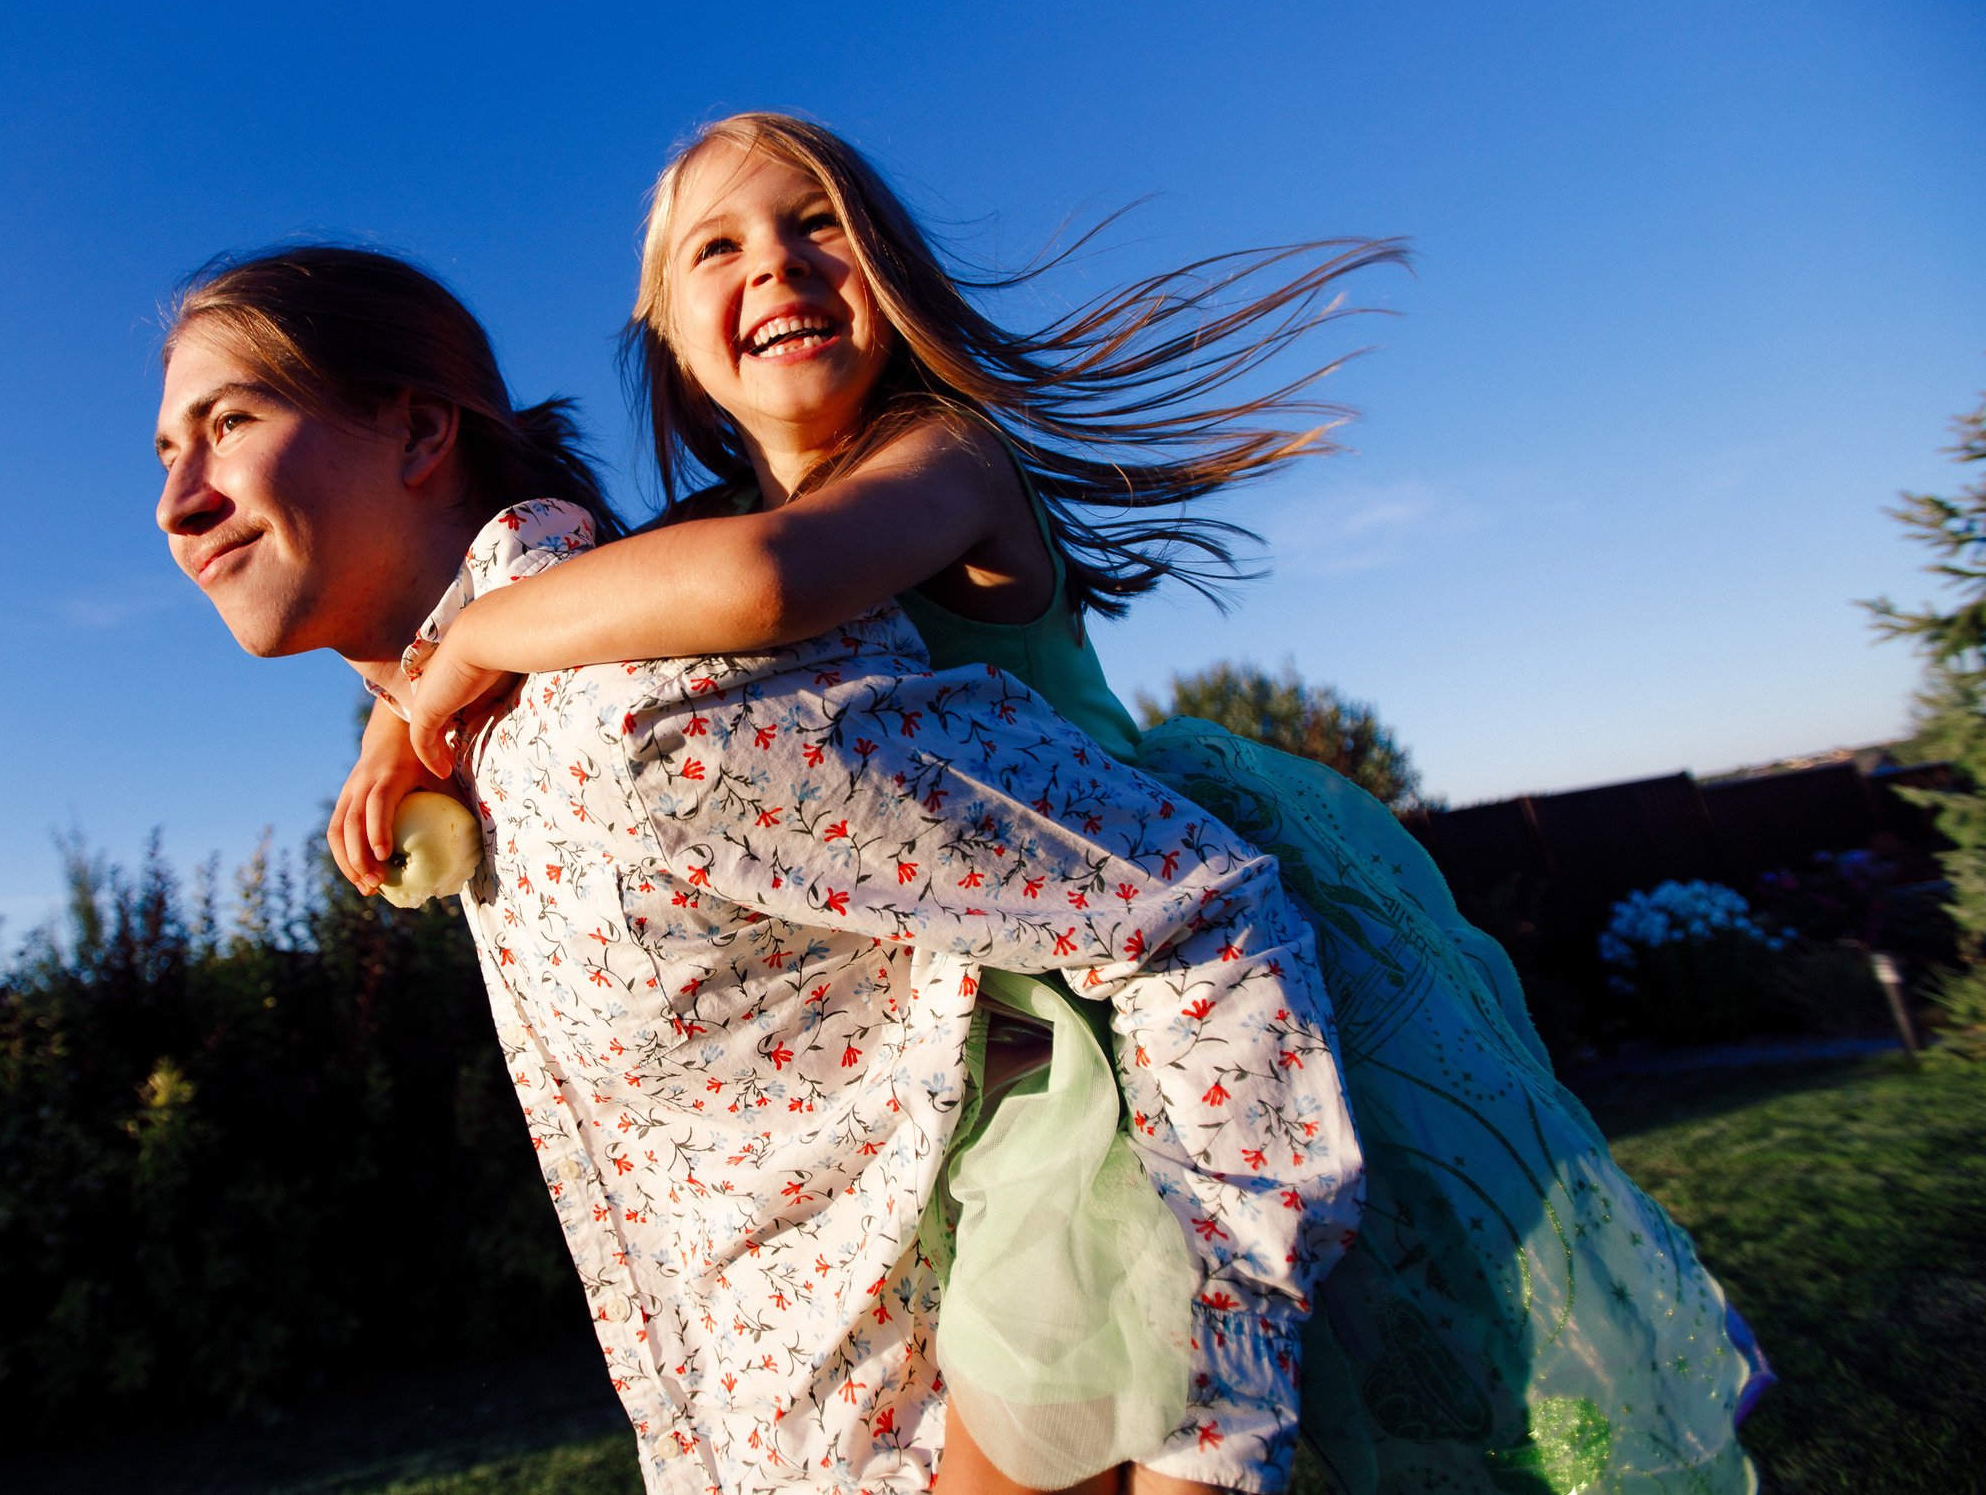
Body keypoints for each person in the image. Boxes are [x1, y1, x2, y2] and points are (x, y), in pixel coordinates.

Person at [331, 115, 1767, 1495]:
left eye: (817, 225)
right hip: (970, 1043)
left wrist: (458, 656)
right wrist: (406, 717)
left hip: (1138, 988)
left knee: (1165, 1406)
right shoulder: (690, 542)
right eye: (717, 248)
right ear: (669, 344)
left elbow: (769, 581)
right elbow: (602, 607)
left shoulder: (942, 460)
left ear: (892, 269)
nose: (773, 263)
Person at [156, 241, 1366, 1495]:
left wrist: (1202, 1428)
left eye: (229, 422)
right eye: (165, 453)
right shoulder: (486, 746)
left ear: (417, 431)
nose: (174, 503)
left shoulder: (638, 709)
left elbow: (1195, 918)